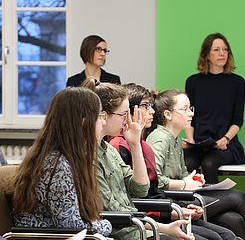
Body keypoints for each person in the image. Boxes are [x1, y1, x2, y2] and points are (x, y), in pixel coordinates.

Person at [109, 83, 238, 240]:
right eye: (145, 106)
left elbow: (152, 190)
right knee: (235, 200)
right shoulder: (124, 145)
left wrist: (186, 193)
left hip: (164, 206)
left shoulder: (150, 143)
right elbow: (139, 196)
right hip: (150, 214)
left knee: (230, 227)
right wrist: (180, 196)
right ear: (129, 111)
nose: (151, 111)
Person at [82, 78, 194, 240]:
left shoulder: (109, 151)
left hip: (138, 227)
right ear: (104, 116)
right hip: (123, 232)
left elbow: (140, 189)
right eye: (123, 114)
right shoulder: (90, 157)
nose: (127, 120)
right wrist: (162, 227)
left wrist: (135, 145)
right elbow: (115, 211)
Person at [7, 87, 112, 237]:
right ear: (83, 122)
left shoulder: (64, 158)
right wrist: (106, 225)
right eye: (100, 116)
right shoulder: (57, 166)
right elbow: (73, 227)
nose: (103, 123)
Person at [145, 89, 245, 239]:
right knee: (237, 197)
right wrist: (184, 184)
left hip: (181, 196)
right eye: (184, 109)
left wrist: (192, 180)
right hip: (170, 201)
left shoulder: (175, 138)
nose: (191, 113)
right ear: (168, 114)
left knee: (233, 219)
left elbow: (182, 175)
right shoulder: (160, 139)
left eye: (190, 108)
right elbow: (154, 181)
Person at [184, 32, 245, 184]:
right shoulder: (193, 82)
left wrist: (225, 139)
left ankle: (213, 205)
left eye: (225, 49)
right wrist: (190, 140)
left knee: (209, 164)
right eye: (217, 50)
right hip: (199, 143)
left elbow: (237, 120)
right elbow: (190, 117)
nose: (222, 53)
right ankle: (187, 205)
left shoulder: (237, 83)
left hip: (226, 144)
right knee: (187, 164)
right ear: (207, 54)